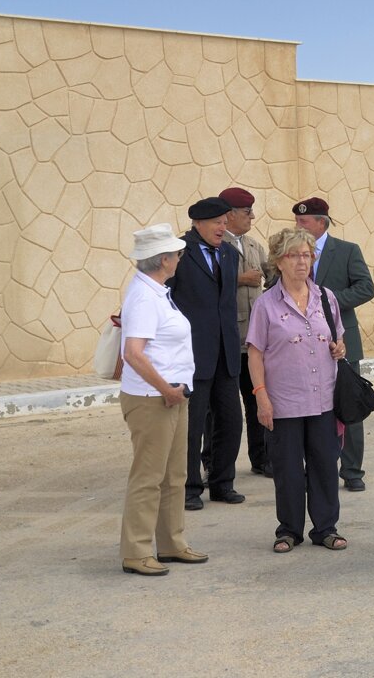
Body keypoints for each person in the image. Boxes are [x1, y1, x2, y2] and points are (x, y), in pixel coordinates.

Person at [247, 228, 349, 553]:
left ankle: (326, 529)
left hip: (324, 399)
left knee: (324, 467)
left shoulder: (326, 297)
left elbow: (338, 338)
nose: (302, 262)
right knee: (288, 471)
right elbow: (255, 353)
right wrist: (261, 396)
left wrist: (339, 348)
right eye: (295, 255)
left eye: (307, 255)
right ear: (279, 261)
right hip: (284, 402)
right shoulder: (265, 305)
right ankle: (289, 530)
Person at [118, 223, 207, 576]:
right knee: (148, 476)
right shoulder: (143, 296)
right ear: (163, 260)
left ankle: (171, 542)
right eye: (176, 254)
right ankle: (136, 551)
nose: (180, 258)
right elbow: (134, 353)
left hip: (171, 396)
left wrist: (175, 391)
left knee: (174, 475)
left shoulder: (156, 291)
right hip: (153, 398)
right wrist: (167, 389)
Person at [293, 197, 374, 492]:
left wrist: (327, 300)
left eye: (303, 222)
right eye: (297, 222)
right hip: (301, 345)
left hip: (341, 340)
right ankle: (312, 468)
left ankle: (352, 470)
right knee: (308, 407)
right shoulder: (292, 253)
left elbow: (366, 288)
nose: (298, 226)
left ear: (321, 223)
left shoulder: (347, 250)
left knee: (348, 404)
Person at [169, 197, 244, 511]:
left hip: (226, 352)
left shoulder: (229, 253)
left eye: (225, 222)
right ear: (198, 223)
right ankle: (188, 488)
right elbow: (167, 298)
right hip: (193, 353)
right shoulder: (178, 253)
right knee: (192, 425)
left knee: (230, 421)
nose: (223, 228)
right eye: (217, 223)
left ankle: (222, 483)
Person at [219, 187, 271, 477]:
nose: (252, 216)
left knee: (257, 402)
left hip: (254, 342)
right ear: (229, 214)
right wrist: (239, 279)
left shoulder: (253, 245)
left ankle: (262, 458)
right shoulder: (215, 244)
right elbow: (204, 280)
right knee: (222, 411)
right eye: (246, 211)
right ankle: (214, 465)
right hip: (227, 341)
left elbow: (271, 277)